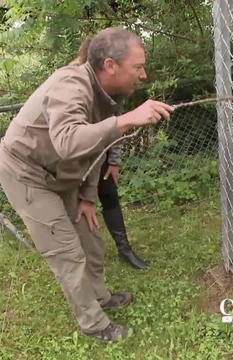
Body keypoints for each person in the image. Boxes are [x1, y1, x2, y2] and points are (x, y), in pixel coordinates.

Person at [0, 28, 173, 341]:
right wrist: (125, 120)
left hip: (62, 174)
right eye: (138, 67)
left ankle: (101, 298)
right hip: (27, 173)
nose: (143, 75)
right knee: (66, 252)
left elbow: (96, 149)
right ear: (110, 65)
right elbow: (67, 141)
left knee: (89, 238)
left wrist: (88, 197)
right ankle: (94, 325)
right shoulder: (71, 83)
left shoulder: (107, 96)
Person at [72, 39, 147, 270]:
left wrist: (113, 161)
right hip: (76, 158)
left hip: (101, 154)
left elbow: (114, 125)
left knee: (110, 196)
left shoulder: (111, 88)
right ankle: (86, 257)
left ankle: (124, 249)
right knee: (81, 207)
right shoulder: (75, 86)